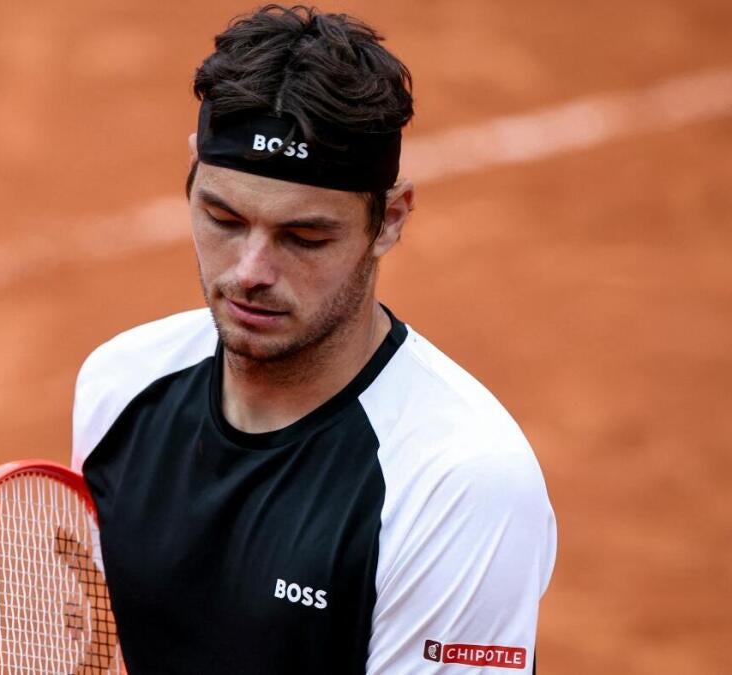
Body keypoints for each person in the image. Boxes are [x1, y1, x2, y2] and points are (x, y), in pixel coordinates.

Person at [71, 6, 556, 673]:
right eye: (223, 218)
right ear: (191, 173)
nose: (251, 272)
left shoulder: (459, 483)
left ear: (390, 220)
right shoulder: (120, 388)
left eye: (304, 237)